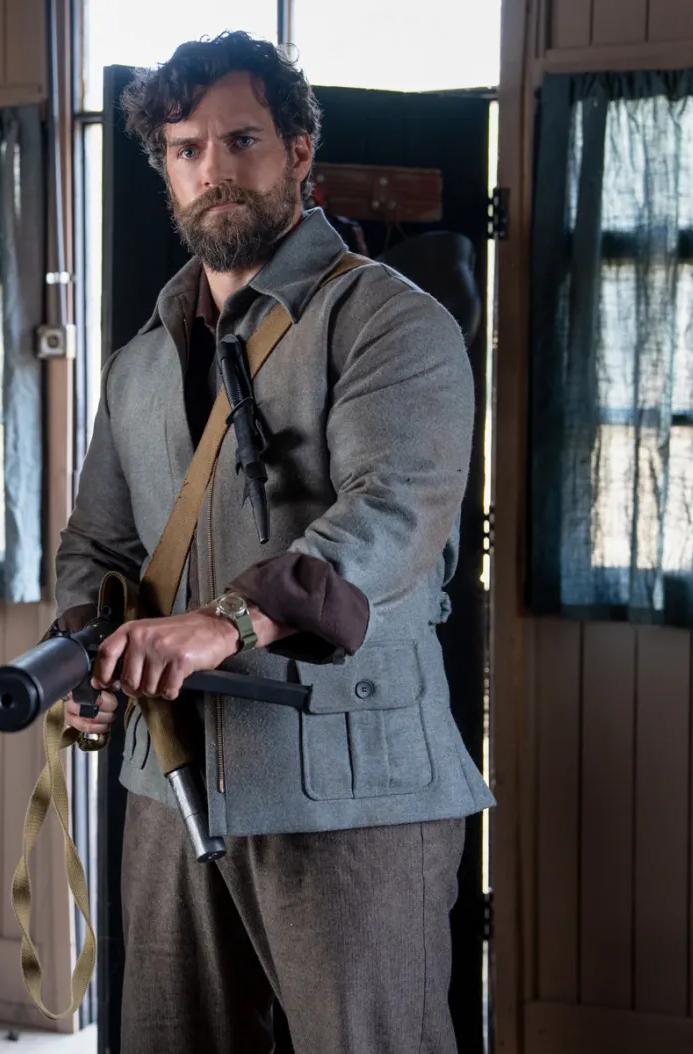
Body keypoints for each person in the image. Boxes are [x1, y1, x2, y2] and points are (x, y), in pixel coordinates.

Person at [54, 33, 495, 1054]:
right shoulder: (139, 363)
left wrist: (224, 622)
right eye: (186, 149)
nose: (214, 169)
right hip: (171, 775)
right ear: (166, 169)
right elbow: (98, 543)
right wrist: (85, 650)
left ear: (298, 152)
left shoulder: (390, 322)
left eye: (241, 139)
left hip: (352, 782)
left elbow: (391, 517)